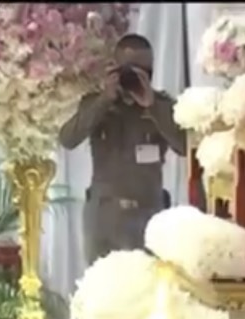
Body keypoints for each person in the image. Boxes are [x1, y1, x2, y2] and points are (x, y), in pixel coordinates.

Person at [58, 33, 189, 264]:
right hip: (104, 214)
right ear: (115, 68)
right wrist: (105, 99)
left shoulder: (163, 105)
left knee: (148, 282)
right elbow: (68, 139)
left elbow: (185, 146)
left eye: (145, 71)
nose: (136, 77)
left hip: (148, 213)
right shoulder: (96, 104)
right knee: (100, 283)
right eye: (130, 70)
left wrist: (152, 107)